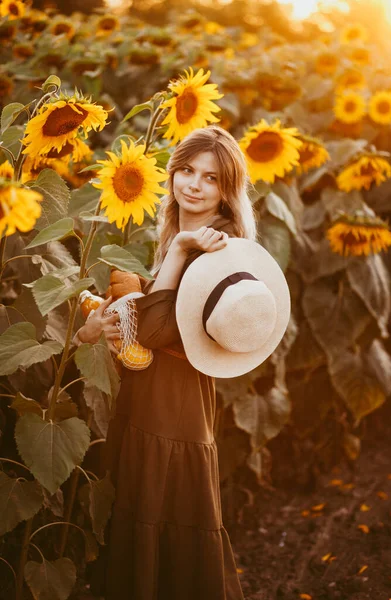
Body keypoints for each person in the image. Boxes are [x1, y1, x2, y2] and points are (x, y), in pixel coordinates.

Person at [76, 125, 258, 599]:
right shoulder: (185, 233)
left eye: (212, 178)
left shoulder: (215, 245)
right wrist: (99, 327)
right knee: (150, 521)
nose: (194, 185)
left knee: (164, 525)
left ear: (227, 191)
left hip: (173, 412)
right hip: (155, 402)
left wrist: (177, 252)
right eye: (186, 170)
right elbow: (150, 332)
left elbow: (156, 332)